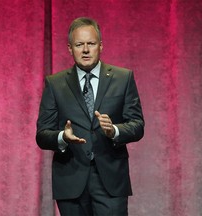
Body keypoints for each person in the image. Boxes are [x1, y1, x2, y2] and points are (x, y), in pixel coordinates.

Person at [36, 17, 144, 216]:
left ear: (100, 46)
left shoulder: (123, 78)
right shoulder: (54, 84)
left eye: (91, 44)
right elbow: (42, 134)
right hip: (70, 180)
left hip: (110, 180)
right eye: (79, 44)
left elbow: (137, 125)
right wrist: (62, 137)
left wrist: (115, 131)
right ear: (70, 48)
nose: (85, 50)